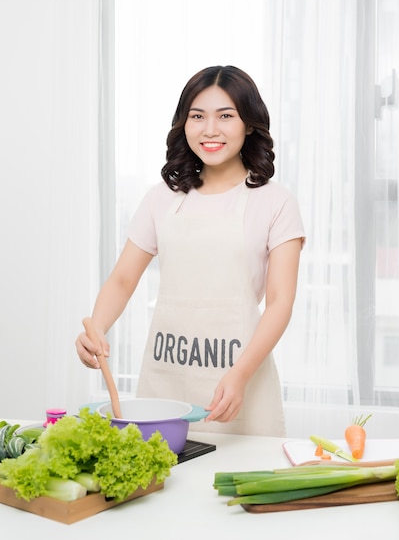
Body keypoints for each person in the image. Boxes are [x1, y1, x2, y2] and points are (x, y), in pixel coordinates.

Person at [76, 65, 305, 437]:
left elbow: (280, 301)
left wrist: (241, 374)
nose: (209, 129)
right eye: (197, 116)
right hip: (165, 380)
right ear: (184, 123)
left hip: (238, 382)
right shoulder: (162, 198)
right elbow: (122, 279)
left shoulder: (275, 203)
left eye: (226, 116)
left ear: (249, 124)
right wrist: (96, 328)